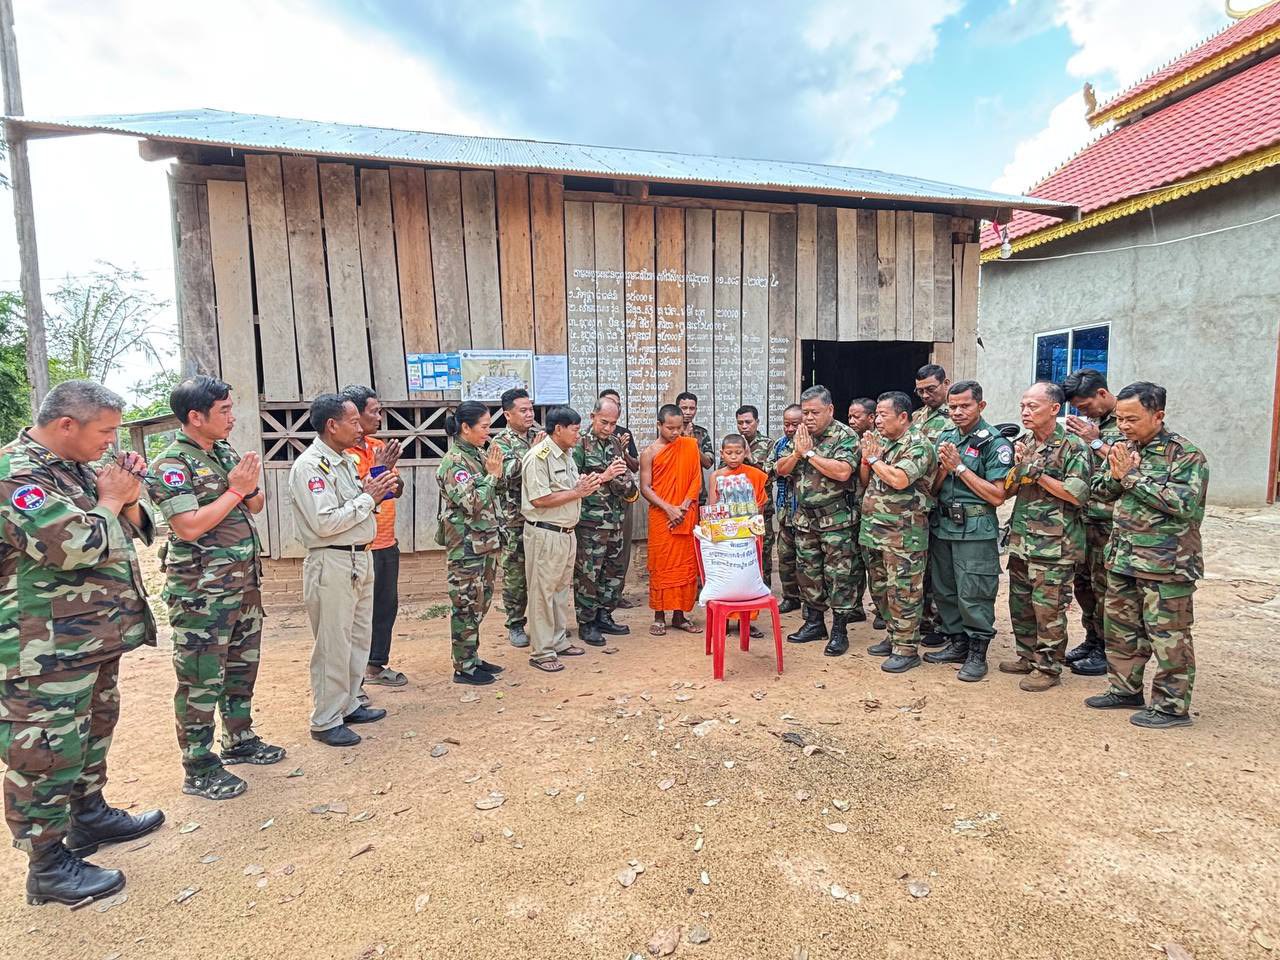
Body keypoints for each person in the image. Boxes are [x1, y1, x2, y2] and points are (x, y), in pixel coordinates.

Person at [0, 381, 165, 906]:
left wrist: (127, 497)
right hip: (41, 649)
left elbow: (140, 531)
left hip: (91, 638)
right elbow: (73, 546)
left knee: (93, 732)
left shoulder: (75, 468)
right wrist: (111, 498)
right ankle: (46, 866)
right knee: (45, 752)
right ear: (66, 425)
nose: (112, 442)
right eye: (106, 431)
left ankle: (88, 816)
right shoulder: (14, 474)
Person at [150, 375, 284, 802]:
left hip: (242, 585)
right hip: (201, 594)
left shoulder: (224, 452)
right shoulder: (172, 464)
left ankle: (239, 739)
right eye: (224, 410)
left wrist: (245, 488)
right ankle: (199, 766)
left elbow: (256, 504)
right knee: (200, 679)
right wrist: (236, 490)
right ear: (195, 416)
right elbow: (188, 527)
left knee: (241, 668)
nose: (232, 417)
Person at [1085, 382, 1208, 729]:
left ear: (1158, 415)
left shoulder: (1185, 455)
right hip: (1123, 557)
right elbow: (1099, 490)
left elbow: (1182, 504)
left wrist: (1132, 477)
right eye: (1120, 419)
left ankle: (1171, 707)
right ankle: (1124, 690)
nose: (1123, 426)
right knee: (1121, 629)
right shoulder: (1122, 448)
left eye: (1132, 419)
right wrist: (1116, 476)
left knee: (1169, 636)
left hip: (1167, 564)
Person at [289, 394, 397, 746]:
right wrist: (368, 497)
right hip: (332, 561)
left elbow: (363, 504)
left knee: (357, 638)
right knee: (333, 644)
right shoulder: (310, 467)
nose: (360, 427)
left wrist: (375, 485)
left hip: (358, 557)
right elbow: (325, 522)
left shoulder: (345, 461)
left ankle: (349, 703)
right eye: (353, 422)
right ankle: (325, 719)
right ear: (332, 425)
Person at [1000, 381, 1091, 691]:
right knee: (1021, 604)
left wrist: (1037, 473)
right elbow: (1010, 489)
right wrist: (1018, 470)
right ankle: (1027, 656)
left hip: (1056, 545)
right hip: (1023, 539)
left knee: (1048, 609)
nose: (1025, 412)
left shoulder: (1073, 447)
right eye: (1023, 406)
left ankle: (1048, 667)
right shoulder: (1025, 442)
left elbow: (1076, 494)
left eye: (1032, 406)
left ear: (1054, 409)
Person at [924, 380, 1013, 681]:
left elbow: (997, 495)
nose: (958, 412)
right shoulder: (946, 437)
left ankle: (977, 652)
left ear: (981, 406)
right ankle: (957, 642)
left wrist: (960, 468)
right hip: (944, 526)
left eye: (965, 406)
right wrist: (943, 468)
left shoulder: (995, 443)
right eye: (953, 407)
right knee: (946, 590)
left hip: (975, 529)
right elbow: (934, 487)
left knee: (974, 591)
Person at [775, 385, 860, 657]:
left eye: (815, 412)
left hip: (836, 521)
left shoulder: (845, 436)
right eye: (806, 412)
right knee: (808, 573)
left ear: (830, 410)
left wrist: (810, 454)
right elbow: (780, 469)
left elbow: (843, 472)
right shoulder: (801, 435)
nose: (809, 418)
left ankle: (840, 631)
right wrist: (797, 453)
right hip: (805, 520)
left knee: (839, 576)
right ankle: (814, 623)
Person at [859, 391, 938, 673]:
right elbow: (866, 480)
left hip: (903, 533)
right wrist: (867, 460)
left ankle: (906, 648)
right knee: (881, 587)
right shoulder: (882, 443)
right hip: (875, 530)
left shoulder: (917, 444)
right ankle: (893, 636)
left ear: (903, 416)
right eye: (877, 415)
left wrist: (874, 459)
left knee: (903, 591)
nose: (877, 420)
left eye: (883, 415)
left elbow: (900, 479)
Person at [522, 407, 605, 672]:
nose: (578, 435)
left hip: (566, 533)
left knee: (559, 591)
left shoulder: (566, 454)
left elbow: (571, 490)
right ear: (558, 429)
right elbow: (539, 499)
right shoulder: (539, 457)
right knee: (542, 593)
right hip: (545, 532)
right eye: (575, 429)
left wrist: (584, 486)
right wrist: (577, 492)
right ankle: (542, 651)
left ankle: (557, 641)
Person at [342, 385, 408, 689]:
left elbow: (395, 489)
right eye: (374, 412)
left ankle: (375, 665)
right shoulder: (342, 453)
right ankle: (351, 681)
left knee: (385, 607)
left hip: (386, 541)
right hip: (359, 546)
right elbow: (356, 495)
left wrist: (385, 470)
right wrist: (380, 471)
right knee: (355, 614)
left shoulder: (377, 446)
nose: (380, 417)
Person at [436, 402, 507, 686]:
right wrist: (492, 476)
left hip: (485, 543)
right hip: (465, 547)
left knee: (480, 603)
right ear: (465, 427)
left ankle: (472, 656)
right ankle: (463, 667)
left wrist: (495, 473)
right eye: (484, 427)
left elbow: (496, 491)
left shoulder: (478, 454)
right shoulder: (454, 463)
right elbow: (472, 503)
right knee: (465, 605)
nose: (488, 433)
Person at [1061, 369, 1123, 677]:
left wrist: (1095, 442)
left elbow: (1132, 467)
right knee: (1083, 585)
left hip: (1109, 523)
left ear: (1102, 393)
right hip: (1083, 518)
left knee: (1106, 588)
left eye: (1086, 406)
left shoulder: (1127, 420)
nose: (1083, 413)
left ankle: (1108, 649)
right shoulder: (1092, 424)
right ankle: (1092, 638)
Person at [572, 396, 637, 646]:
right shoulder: (579, 443)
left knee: (613, 571)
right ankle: (586, 622)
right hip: (591, 522)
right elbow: (574, 482)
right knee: (589, 574)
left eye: (613, 423)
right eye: (604, 422)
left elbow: (623, 474)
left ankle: (604, 615)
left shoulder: (615, 443)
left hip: (616, 518)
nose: (609, 428)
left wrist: (625, 483)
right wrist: (606, 476)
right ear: (592, 417)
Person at [641, 404, 703, 635]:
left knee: (685, 566)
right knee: (661, 565)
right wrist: (669, 509)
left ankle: (680, 615)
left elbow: (696, 479)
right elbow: (645, 488)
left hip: (685, 514)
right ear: (659, 425)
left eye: (679, 428)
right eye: (670, 428)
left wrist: (684, 507)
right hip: (661, 515)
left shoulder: (690, 445)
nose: (676, 432)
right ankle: (659, 615)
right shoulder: (649, 452)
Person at [493, 389, 542, 649]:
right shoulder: (500, 442)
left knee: (541, 573)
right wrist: (532, 453)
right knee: (516, 575)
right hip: (514, 519)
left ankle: (542, 624)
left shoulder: (538, 435)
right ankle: (515, 623)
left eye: (531, 409)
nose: (529, 414)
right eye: (523, 410)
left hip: (541, 515)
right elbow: (505, 474)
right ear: (507, 414)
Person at [709, 433, 769, 637]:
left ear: (746, 452)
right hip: (725, 534)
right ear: (722, 453)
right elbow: (713, 506)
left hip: (749, 533)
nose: (734, 457)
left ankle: (747, 620)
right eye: (729, 453)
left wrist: (751, 528)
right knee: (727, 574)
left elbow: (760, 505)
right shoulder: (716, 476)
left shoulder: (755, 475)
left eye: (738, 452)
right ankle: (725, 618)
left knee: (748, 575)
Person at [913, 364, 951, 646]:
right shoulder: (917, 417)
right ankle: (923, 619)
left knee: (941, 569)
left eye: (931, 389)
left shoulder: (955, 417)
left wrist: (934, 489)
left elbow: (946, 464)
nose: (926, 395)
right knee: (922, 567)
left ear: (946, 383)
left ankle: (943, 623)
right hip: (919, 504)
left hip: (943, 499)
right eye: (920, 391)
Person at [599, 389, 640, 607]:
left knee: (620, 549)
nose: (609, 427)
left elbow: (635, 466)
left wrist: (624, 451)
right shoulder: (586, 438)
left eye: (617, 404)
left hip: (621, 501)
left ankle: (617, 594)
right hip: (597, 507)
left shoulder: (622, 434)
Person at [768, 404, 805, 613]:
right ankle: (791, 597)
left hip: (806, 514)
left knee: (807, 562)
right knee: (785, 558)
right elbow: (769, 470)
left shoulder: (813, 445)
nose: (790, 429)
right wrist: (786, 466)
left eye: (795, 424)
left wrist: (788, 468)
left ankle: (811, 604)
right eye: (786, 424)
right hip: (785, 512)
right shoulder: (780, 444)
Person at [734, 405, 775, 586]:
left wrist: (750, 459)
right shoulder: (733, 443)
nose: (744, 426)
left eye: (748, 422)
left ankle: (764, 589)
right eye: (740, 423)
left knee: (763, 550)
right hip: (737, 510)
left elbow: (771, 475)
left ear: (757, 422)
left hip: (762, 509)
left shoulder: (768, 444)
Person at [846, 396, 878, 625]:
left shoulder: (880, 441)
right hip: (852, 508)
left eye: (856, 416)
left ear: (871, 417)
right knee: (854, 561)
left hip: (874, 511)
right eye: (849, 416)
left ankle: (881, 610)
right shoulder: (849, 440)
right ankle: (855, 607)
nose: (851, 421)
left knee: (874, 563)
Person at [676, 391, 714, 505]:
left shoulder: (701, 433)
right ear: (677, 409)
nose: (688, 412)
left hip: (697, 494)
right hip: (675, 490)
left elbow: (708, 463)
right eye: (684, 408)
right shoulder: (670, 432)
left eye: (692, 408)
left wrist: (692, 444)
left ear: (696, 410)